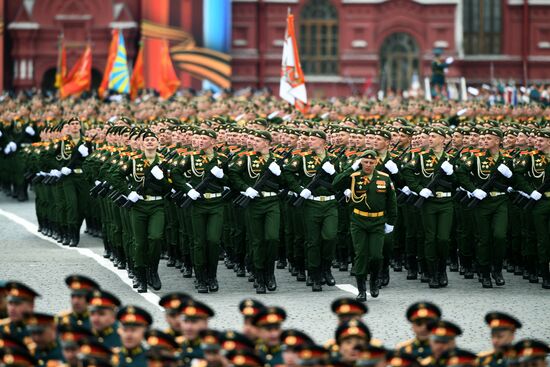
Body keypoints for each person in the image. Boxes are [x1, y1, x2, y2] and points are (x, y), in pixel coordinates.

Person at [111, 129, 171, 293]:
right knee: (140, 243)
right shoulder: (134, 161)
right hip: (139, 207)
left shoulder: (164, 162)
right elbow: (116, 176)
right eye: (147, 140)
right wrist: (129, 192)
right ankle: (141, 276)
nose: (150, 142)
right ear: (142, 144)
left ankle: (153, 269)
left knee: (156, 237)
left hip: (157, 205)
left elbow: (169, 188)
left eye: (153, 139)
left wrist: (162, 179)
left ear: (158, 143)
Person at [332, 150, 397, 301]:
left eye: (371, 162)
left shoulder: (384, 178)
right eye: (365, 162)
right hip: (358, 221)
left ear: (376, 162)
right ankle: (361, 289)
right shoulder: (354, 177)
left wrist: (391, 222)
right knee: (360, 254)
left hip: (378, 222)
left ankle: (374, 280)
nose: (368, 165)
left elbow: (391, 202)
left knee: (376, 255)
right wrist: (351, 168)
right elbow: (335, 183)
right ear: (360, 161)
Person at [456, 127, 514, 288]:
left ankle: (497, 269)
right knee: (484, 238)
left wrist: (510, 177)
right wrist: (474, 190)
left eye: (489, 138)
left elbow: (516, 180)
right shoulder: (475, 157)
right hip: (482, 203)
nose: (484, 140)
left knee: (500, 236)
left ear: (498, 141)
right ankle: (485, 272)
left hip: (500, 201)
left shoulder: (507, 158)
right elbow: (461, 173)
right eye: (483, 138)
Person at [228, 130, 283, 294]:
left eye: (258, 141)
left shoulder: (277, 160)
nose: (254, 143)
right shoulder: (246, 158)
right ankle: (259, 277)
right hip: (254, 202)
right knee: (257, 241)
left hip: (272, 202)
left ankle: (270, 273)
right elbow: (233, 174)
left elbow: (286, 182)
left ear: (267, 143)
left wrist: (279, 173)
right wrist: (246, 188)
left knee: (272, 238)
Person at [283, 130, 338, 292]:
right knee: (313, 241)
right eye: (309, 139)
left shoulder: (334, 159)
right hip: (311, 204)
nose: (310, 141)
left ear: (323, 142)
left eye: (313, 139)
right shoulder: (302, 158)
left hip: (330, 204)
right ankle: (314, 275)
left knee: (330, 237)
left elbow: (343, 178)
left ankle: (326, 268)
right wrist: (299, 189)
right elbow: (287, 172)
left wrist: (334, 172)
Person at [402, 127, 456, 289]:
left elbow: (457, 182)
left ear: (443, 139)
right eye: (429, 136)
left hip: (446, 203)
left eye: (434, 136)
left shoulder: (450, 158)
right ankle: (432, 273)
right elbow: (407, 172)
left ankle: (442, 270)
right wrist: (419, 189)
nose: (430, 139)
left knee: (444, 238)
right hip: (429, 203)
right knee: (430, 238)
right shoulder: (421, 157)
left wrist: (451, 172)